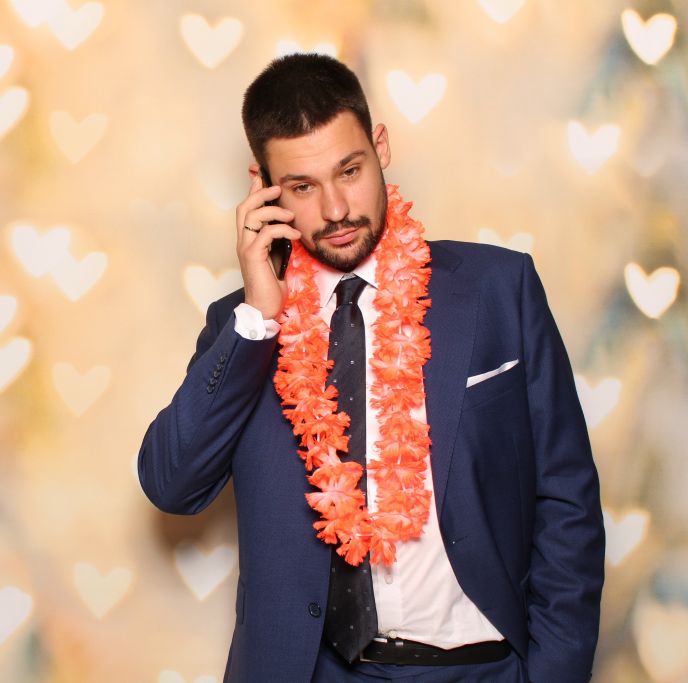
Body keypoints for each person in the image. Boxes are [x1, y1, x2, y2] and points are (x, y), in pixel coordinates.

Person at [138, 53, 604, 682]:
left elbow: (567, 497)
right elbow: (172, 485)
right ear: (264, 188)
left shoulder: (498, 288)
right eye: (302, 187)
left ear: (380, 147)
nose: (335, 209)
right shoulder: (242, 325)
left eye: (350, 171)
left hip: (481, 669)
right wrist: (258, 319)